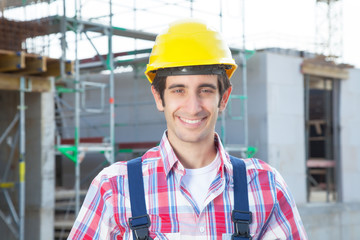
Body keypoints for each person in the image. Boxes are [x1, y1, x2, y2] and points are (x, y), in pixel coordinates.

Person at [68, 19, 307, 239]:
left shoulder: (266, 186)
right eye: (178, 90)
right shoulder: (114, 188)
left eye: (205, 90)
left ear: (224, 98)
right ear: (159, 98)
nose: (193, 108)